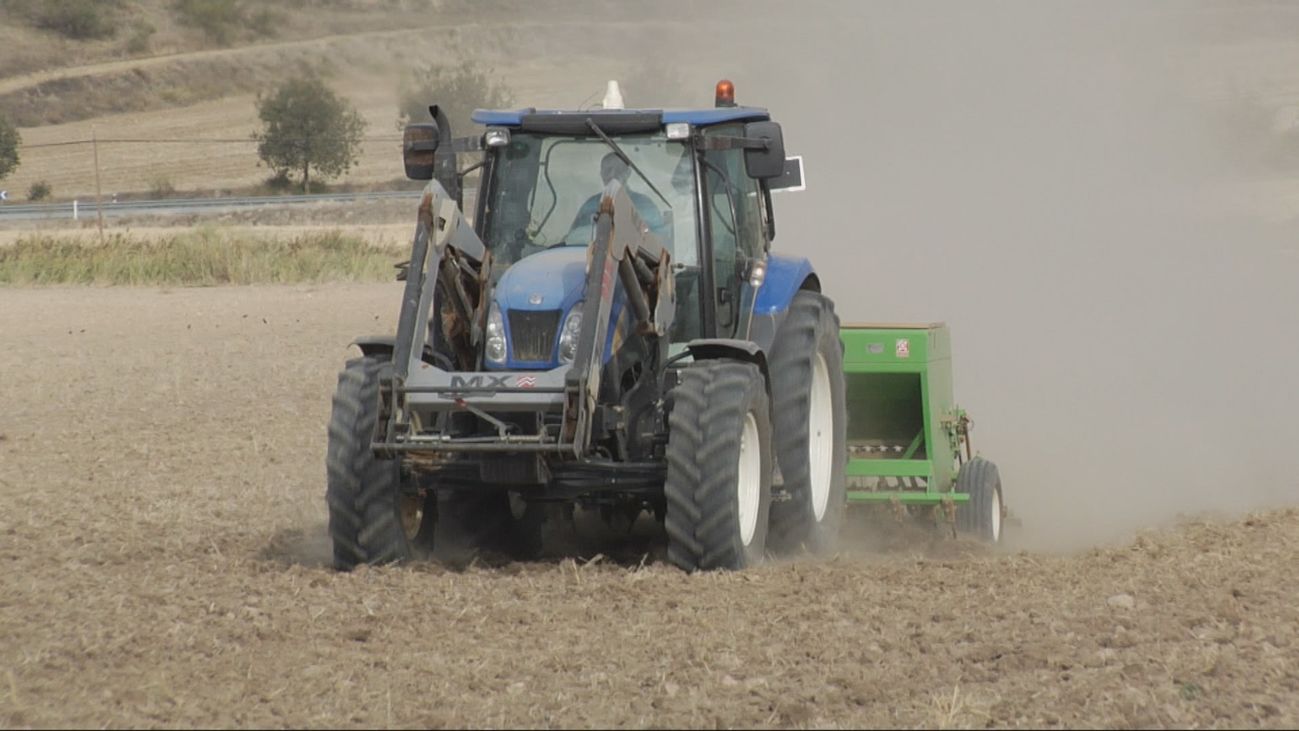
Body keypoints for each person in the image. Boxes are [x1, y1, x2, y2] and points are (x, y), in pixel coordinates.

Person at [566, 152, 664, 243]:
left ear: (628, 173)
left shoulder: (645, 206)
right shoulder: (590, 206)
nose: (612, 175)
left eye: (618, 169)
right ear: (602, 174)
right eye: (607, 170)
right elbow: (571, 239)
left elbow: (660, 242)